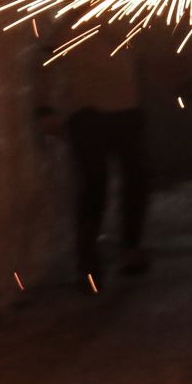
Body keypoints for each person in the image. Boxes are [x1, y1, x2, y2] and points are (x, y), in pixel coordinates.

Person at [37, 24, 150, 287]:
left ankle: (128, 250)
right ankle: (88, 263)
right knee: (94, 187)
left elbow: (138, 60)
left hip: (125, 112)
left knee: (135, 181)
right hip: (89, 114)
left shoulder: (124, 20)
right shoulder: (73, 24)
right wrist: (44, 108)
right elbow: (46, 60)